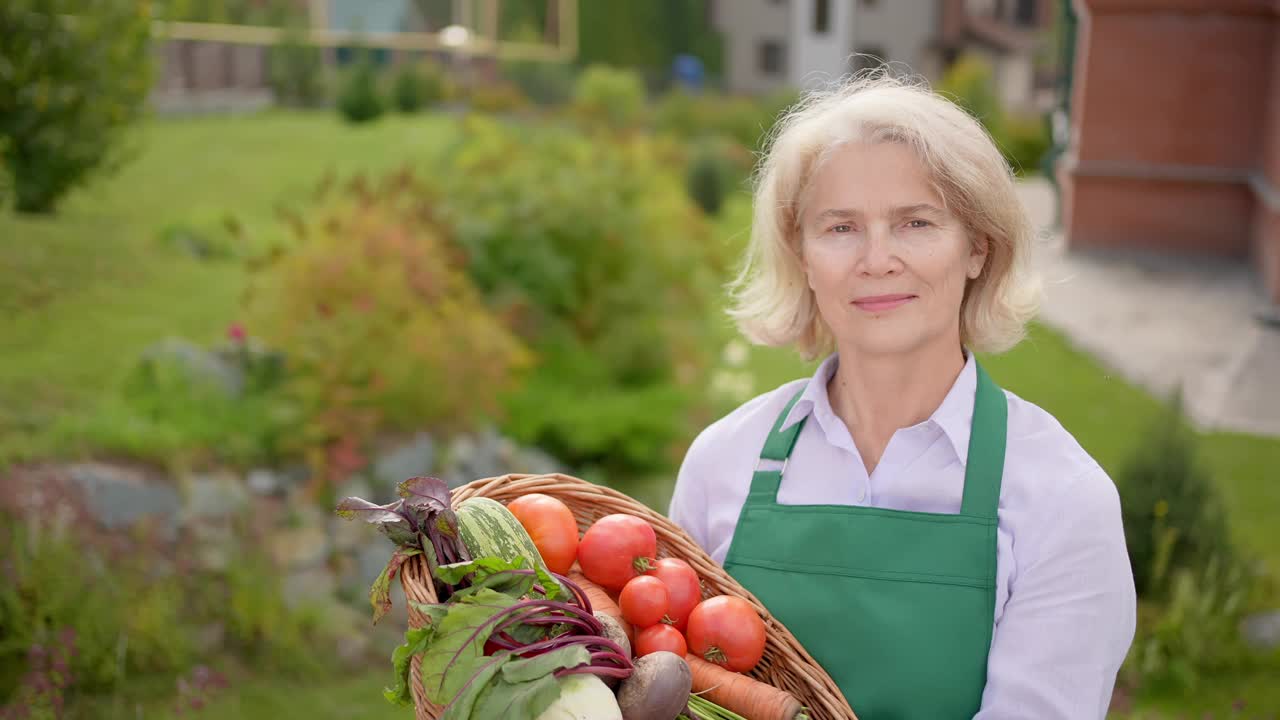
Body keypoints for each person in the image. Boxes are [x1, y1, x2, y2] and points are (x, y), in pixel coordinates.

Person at [667, 73, 1136, 719]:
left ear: (978, 248)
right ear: (801, 255)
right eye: (840, 228)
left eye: (915, 222)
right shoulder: (723, 463)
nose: (877, 259)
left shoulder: (1060, 497)